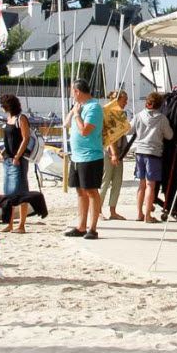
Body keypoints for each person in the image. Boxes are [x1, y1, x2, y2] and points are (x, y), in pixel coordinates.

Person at [64, 78, 105, 239]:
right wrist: (73, 112)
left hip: (90, 156)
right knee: (80, 191)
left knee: (91, 191)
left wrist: (77, 115)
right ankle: (81, 226)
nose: (71, 95)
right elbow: (66, 124)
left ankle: (92, 228)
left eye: (72, 91)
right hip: (77, 156)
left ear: (77, 91)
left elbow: (85, 131)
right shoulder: (79, 107)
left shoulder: (94, 108)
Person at [130, 91, 175, 221]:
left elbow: (128, 129)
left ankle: (139, 214)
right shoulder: (162, 119)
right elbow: (169, 136)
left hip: (139, 152)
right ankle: (148, 216)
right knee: (151, 185)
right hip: (154, 153)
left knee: (142, 185)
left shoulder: (138, 116)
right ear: (160, 105)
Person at [0, 93, 32, 233]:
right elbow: (9, 139)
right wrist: (3, 150)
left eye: (2, 105)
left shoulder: (21, 118)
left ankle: (22, 225)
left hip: (19, 159)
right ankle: (10, 223)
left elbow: (25, 138)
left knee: (21, 191)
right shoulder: (9, 118)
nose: (1, 107)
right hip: (8, 158)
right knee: (8, 192)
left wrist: (18, 156)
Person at [101, 89, 131, 220]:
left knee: (117, 182)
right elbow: (109, 136)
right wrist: (113, 154)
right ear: (117, 100)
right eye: (124, 100)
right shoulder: (108, 112)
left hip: (119, 152)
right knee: (105, 181)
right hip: (109, 152)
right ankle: (98, 210)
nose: (126, 103)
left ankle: (113, 211)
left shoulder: (120, 113)